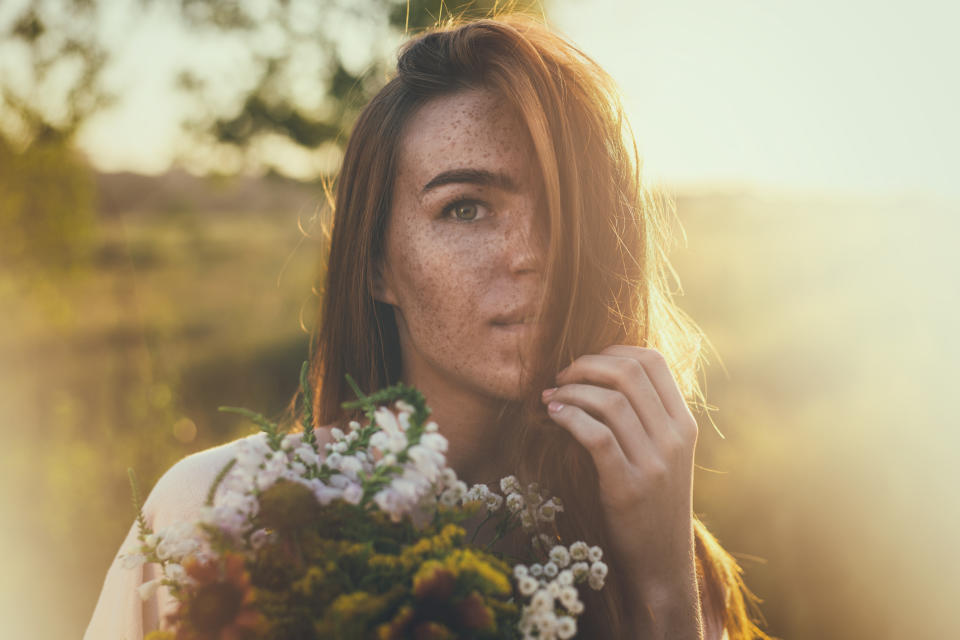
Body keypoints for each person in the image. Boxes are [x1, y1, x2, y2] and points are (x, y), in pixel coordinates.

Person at [85, 13, 772, 640]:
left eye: (567, 209)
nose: (534, 253)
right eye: (466, 209)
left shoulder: (672, 561)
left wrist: (661, 587)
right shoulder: (223, 514)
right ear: (378, 263)